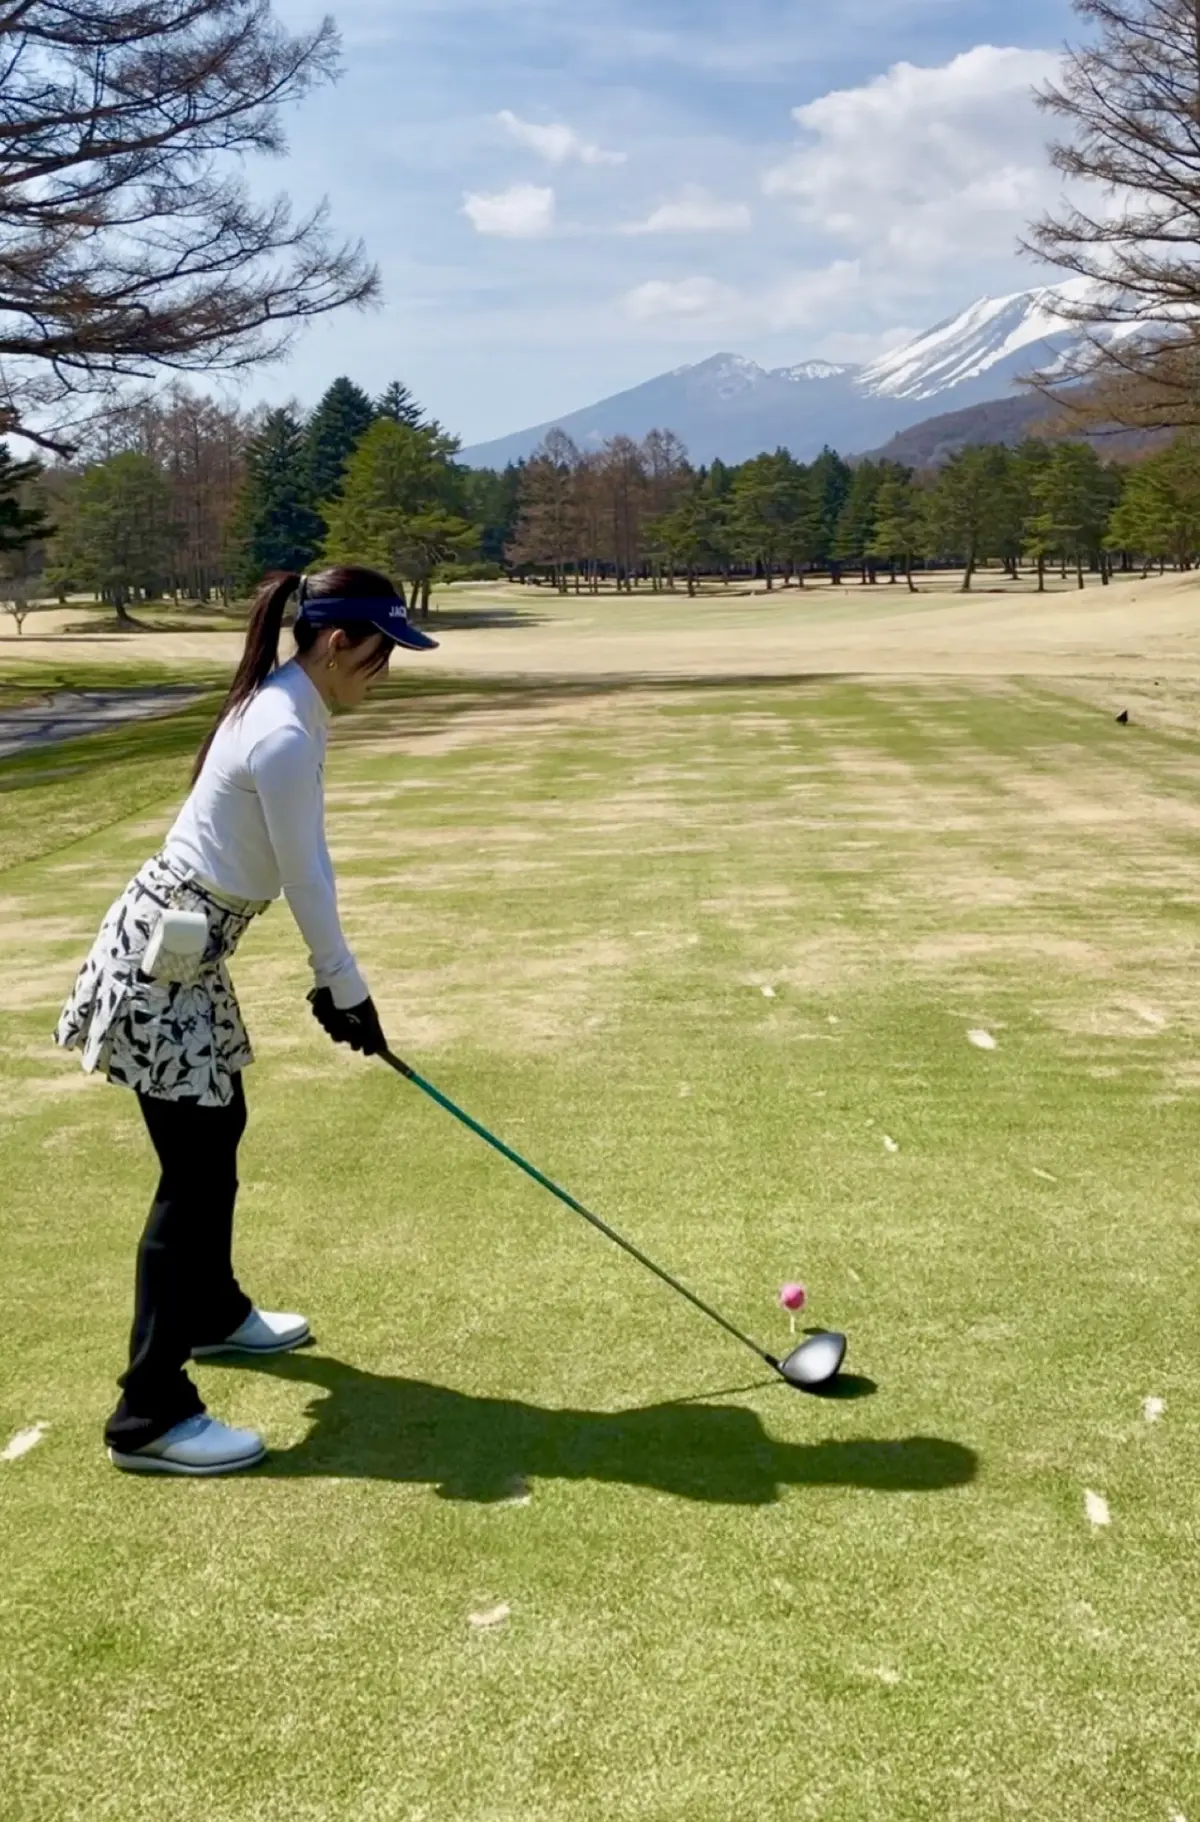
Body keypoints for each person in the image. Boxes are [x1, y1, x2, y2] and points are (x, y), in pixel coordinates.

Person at [55, 565, 437, 1476]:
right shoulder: (282, 729)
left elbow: (306, 862)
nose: (386, 673)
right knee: (191, 1170)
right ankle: (148, 1412)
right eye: (383, 653)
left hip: (186, 951)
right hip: (163, 960)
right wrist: (343, 987)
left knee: (217, 1128)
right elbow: (306, 875)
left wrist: (339, 985)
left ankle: (214, 1311)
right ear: (340, 641)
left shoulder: (289, 706)